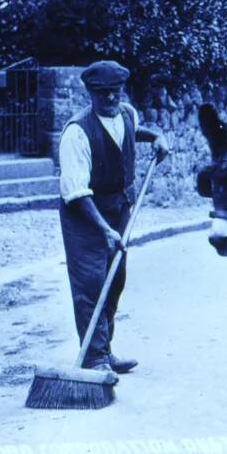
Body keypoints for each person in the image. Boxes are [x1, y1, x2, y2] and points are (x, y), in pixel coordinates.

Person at [58, 60, 170, 374]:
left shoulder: (126, 113)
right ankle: (93, 359)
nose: (110, 99)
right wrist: (105, 230)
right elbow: (77, 193)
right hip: (84, 214)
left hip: (119, 207)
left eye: (115, 92)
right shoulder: (77, 133)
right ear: (91, 94)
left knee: (115, 280)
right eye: (103, 93)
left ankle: (104, 351)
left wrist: (157, 136)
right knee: (91, 283)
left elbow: (132, 131)